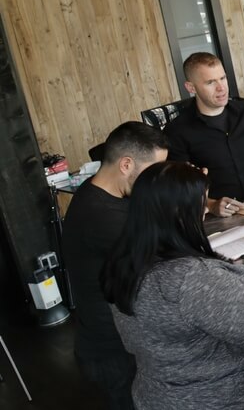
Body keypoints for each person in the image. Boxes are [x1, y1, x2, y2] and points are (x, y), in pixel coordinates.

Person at [100, 161, 244, 410]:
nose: (204, 212)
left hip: (157, 396)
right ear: (179, 213)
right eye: (200, 205)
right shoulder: (191, 278)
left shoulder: (123, 263)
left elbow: (194, 311)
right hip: (220, 399)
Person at [61, 122, 168, 410]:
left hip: (112, 338)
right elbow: (169, 266)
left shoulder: (102, 191)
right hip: (112, 351)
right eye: (152, 171)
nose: (155, 180)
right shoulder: (101, 216)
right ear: (125, 164)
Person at [164, 52, 244, 217]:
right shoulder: (177, 130)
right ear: (191, 88)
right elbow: (178, 186)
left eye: (223, 78)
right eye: (210, 82)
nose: (221, 88)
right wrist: (211, 204)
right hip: (219, 218)